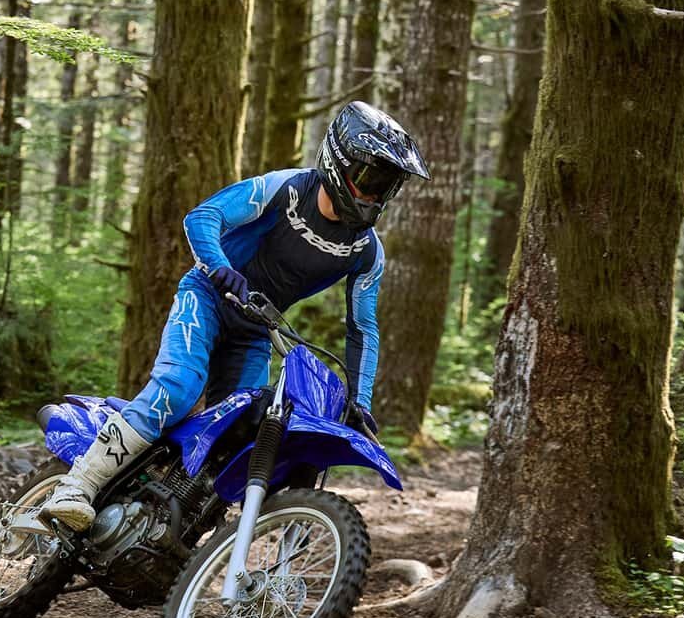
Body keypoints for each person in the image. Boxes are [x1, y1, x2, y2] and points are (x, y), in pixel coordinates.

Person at [42, 101, 430, 532]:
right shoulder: (285, 189)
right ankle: (77, 486)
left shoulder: (367, 251)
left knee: (240, 435)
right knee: (177, 388)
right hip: (208, 298)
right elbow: (203, 217)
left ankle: (172, 529)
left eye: (386, 186)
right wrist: (219, 267)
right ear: (341, 162)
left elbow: (363, 328)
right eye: (371, 179)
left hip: (255, 330)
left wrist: (361, 402)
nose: (375, 194)